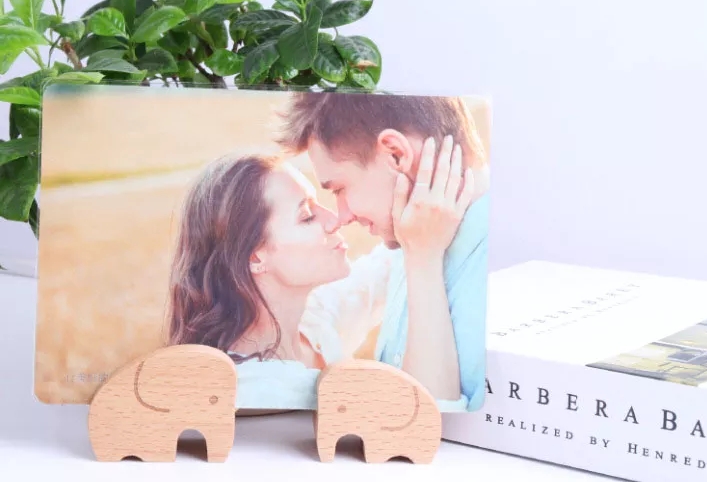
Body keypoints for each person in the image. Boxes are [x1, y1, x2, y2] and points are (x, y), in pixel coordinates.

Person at [164, 137, 472, 411]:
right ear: (255, 257)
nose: (334, 220)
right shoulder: (259, 390)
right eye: (307, 216)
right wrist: (424, 256)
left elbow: (387, 266)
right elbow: (427, 416)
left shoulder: (312, 325)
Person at [277, 92, 490, 411]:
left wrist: (423, 259)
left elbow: (426, 426)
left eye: (340, 189)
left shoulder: (494, 269)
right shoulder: (411, 241)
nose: (342, 216)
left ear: (395, 154)